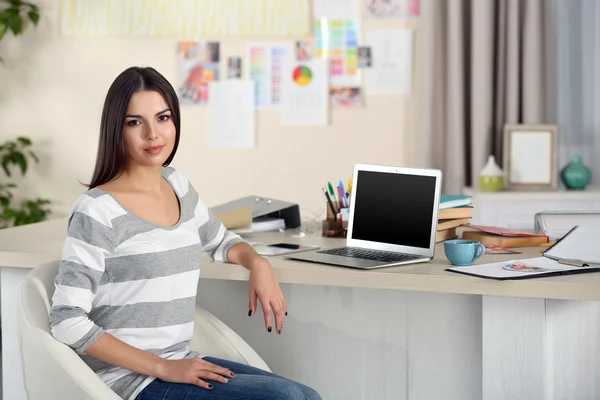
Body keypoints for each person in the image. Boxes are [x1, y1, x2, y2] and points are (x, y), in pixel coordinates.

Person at [49, 66, 322, 400]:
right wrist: (163, 368)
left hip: (181, 363)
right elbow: (66, 321)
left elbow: (221, 241)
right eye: (135, 122)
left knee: (305, 395)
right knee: (286, 399)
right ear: (115, 130)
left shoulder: (176, 184)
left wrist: (258, 264)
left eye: (162, 118)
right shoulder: (96, 210)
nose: (153, 134)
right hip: (129, 381)